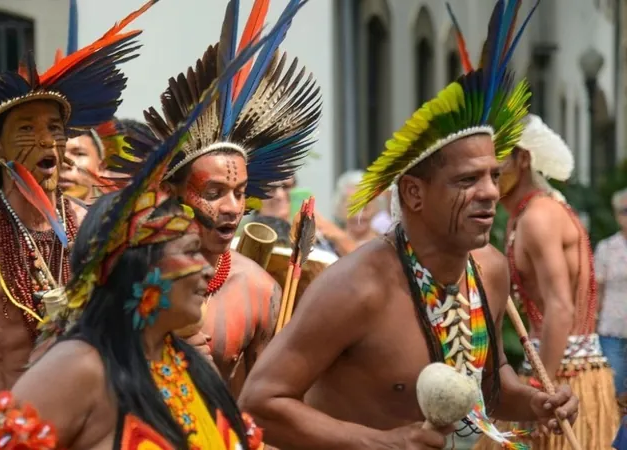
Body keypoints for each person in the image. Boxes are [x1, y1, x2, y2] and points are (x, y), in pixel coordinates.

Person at [238, 4, 579, 450]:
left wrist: (534, 403)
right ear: (414, 194)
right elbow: (259, 401)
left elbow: (489, 386)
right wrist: (382, 443)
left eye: (494, 176)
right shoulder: (357, 287)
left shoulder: (490, 270)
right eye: (467, 180)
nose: (490, 192)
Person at [0, 41, 272, 448]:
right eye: (187, 252)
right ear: (139, 268)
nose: (204, 266)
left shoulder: (188, 368)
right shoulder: (80, 368)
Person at [0, 3, 156, 448]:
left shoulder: (88, 229)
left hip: (76, 430)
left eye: (55, 128)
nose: (47, 141)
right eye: (27, 128)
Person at [108, 0, 320, 395]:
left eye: (240, 193)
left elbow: (271, 405)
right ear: (172, 193)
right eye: (214, 192)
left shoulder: (259, 291)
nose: (232, 208)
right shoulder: (123, 276)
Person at [481, 113, 620, 449]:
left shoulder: (538, 216)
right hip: (563, 373)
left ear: (523, 159)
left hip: (563, 380)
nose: (487, 175)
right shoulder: (533, 212)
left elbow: (559, 307)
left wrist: (544, 392)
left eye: (496, 163)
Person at [595, 188, 627, 406]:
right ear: (617, 215)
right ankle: (611, 437)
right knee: (613, 387)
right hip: (611, 329)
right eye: (625, 211)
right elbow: (597, 290)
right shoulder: (606, 248)